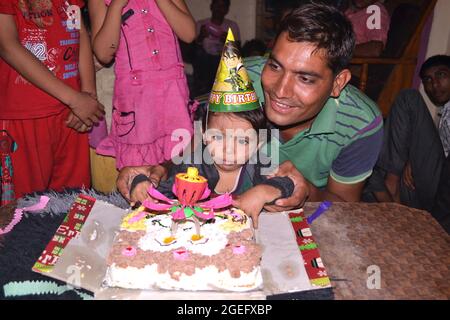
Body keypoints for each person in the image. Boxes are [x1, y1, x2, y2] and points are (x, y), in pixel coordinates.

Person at [118, 3, 383, 210]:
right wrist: (159, 169)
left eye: (304, 78)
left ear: (338, 82)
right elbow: (201, 129)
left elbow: (345, 206)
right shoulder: (242, 80)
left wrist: (304, 191)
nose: (279, 90)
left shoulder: (360, 123)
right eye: (275, 66)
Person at [130, 31, 294, 228]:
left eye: (243, 140)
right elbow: (163, 191)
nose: (228, 149)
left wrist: (266, 190)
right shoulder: (193, 166)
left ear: (258, 143)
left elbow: (289, 183)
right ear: (205, 136)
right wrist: (141, 183)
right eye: (218, 137)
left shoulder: (260, 164)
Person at [0, 0, 105, 199]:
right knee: (23, 206)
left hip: (72, 115)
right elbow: (7, 45)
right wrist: (75, 99)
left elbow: (80, 33)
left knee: (72, 200)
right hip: (26, 115)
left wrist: (88, 95)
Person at [89, 0, 196, 169]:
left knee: (179, 167)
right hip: (137, 101)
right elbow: (104, 53)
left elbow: (189, 34)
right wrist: (116, 6)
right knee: (140, 174)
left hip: (173, 95)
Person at [365, 55, 450, 216]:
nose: (434, 85)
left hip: (442, 189)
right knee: (370, 156)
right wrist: (415, 157)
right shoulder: (444, 112)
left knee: (409, 98)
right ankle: (394, 205)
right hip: (428, 190)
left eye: (441, 75)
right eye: (428, 80)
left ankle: (392, 182)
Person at [192, 0, 240, 96]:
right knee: (200, 54)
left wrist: (228, 42)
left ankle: (210, 88)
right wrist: (201, 37)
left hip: (222, 60)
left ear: (227, 10)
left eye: (222, 6)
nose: (219, 9)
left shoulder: (232, 26)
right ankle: (204, 88)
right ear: (211, 6)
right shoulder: (201, 24)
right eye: (217, 5)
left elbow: (239, 50)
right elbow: (191, 50)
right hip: (204, 61)